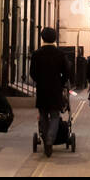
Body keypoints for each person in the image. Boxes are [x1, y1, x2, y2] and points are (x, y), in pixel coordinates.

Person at [29, 26, 71, 157]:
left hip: (42, 89)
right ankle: (50, 140)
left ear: (42, 38)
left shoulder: (36, 54)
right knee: (54, 116)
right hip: (55, 89)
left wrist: (40, 81)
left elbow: (32, 73)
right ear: (54, 38)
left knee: (43, 115)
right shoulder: (60, 54)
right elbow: (67, 72)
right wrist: (61, 82)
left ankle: (45, 138)